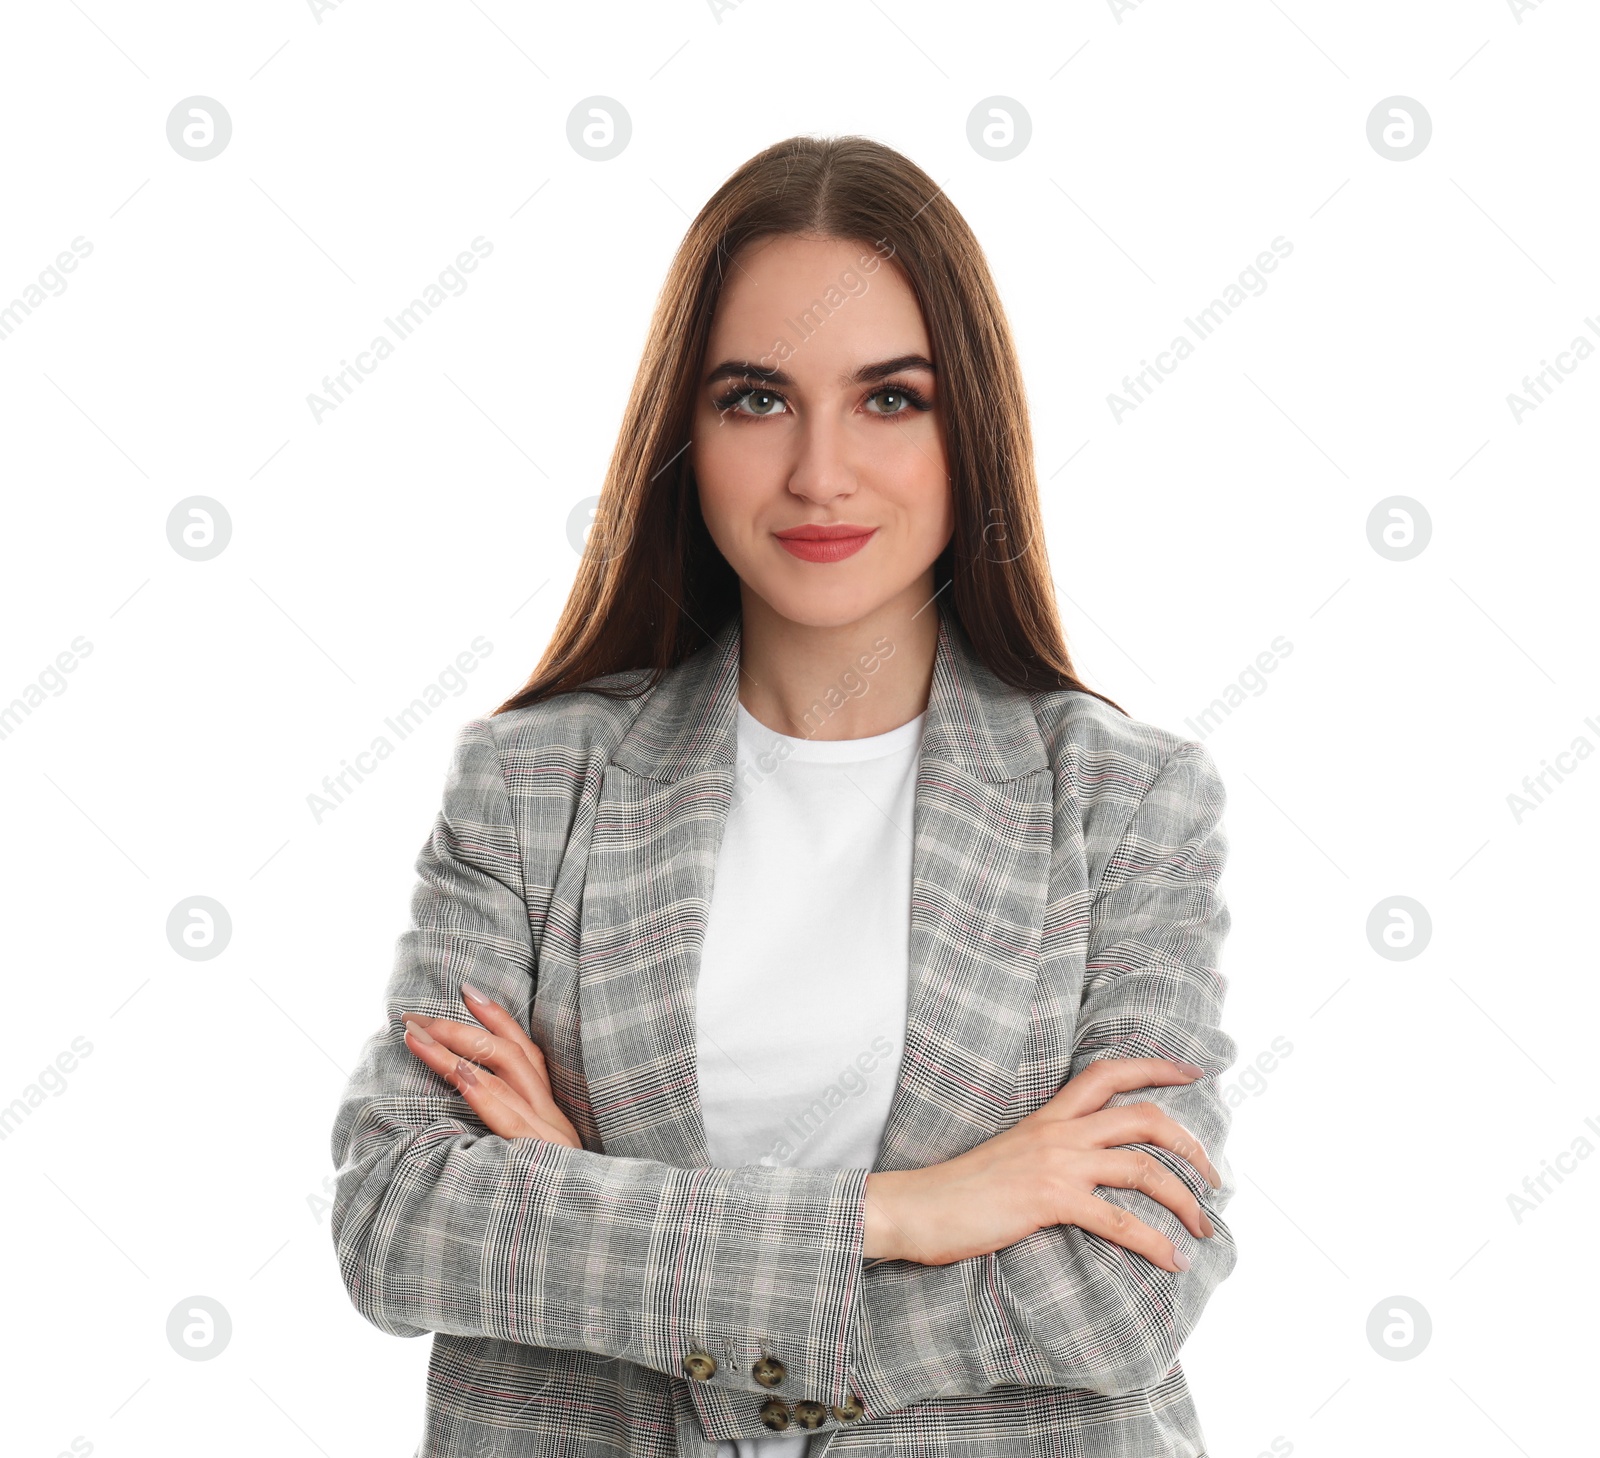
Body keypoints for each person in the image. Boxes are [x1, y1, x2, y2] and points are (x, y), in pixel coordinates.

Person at [329, 133, 1238, 1458]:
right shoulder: (531, 783)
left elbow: (1126, 1278)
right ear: (684, 432)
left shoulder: (1126, 801)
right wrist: (909, 1211)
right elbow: (401, 1217)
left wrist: (588, 1209)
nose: (820, 470)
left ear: (966, 426)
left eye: (890, 398)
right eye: (757, 398)